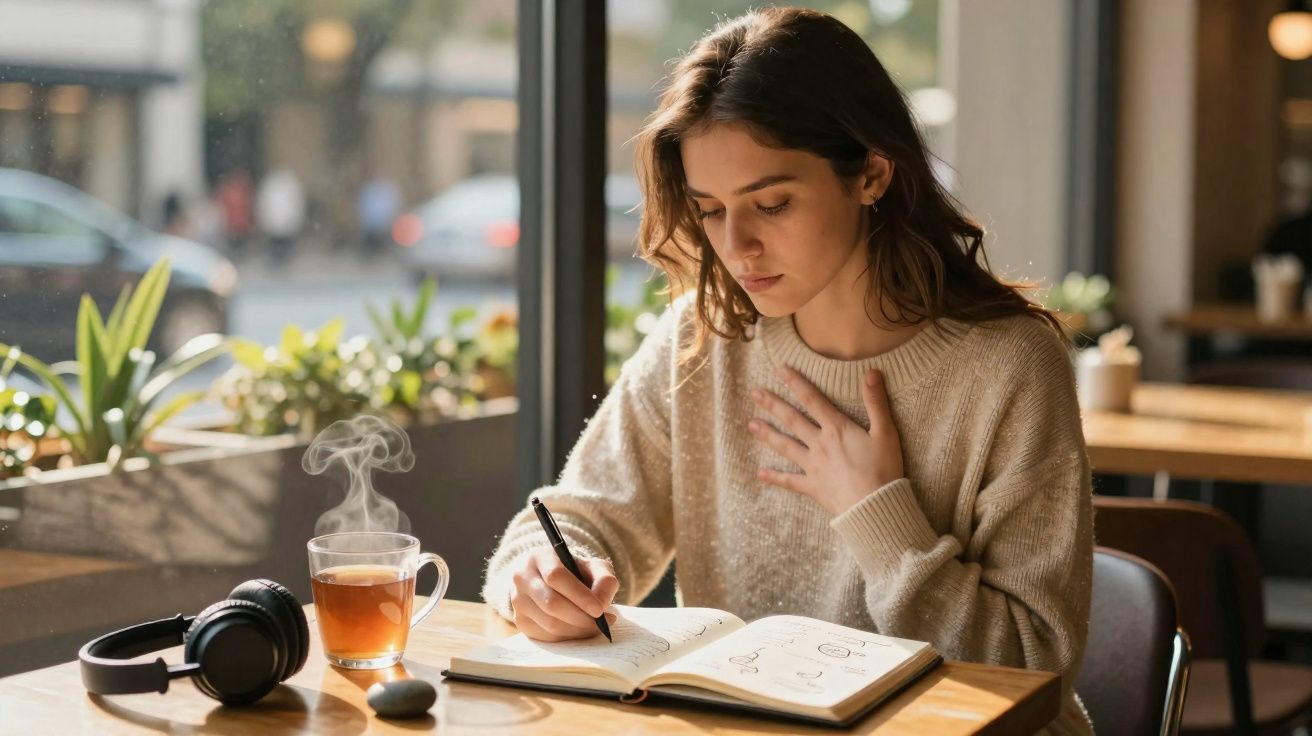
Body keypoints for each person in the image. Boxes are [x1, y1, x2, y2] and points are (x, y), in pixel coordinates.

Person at [481, 8, 1093, 735]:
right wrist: (540, 580)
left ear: (871, 174)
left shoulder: (1010, 367)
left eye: (771, 203)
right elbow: (575, 521)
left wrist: (879, 514)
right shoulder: (705, 338)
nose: (737, 246)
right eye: (711, 211)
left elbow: (1033, 669)